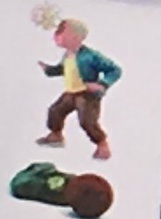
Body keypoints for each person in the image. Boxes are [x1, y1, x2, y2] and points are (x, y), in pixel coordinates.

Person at [35, 15, 119, 157]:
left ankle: (102, 144)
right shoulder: (67, 55)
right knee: (55, 111)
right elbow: (63, 69)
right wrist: (49, 70)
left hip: (86, 94)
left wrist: (103, 84)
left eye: (62, 31)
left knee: (87, 121)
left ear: (75, 37)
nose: (57, 35)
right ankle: (56, 135)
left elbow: (115, 70)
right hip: (71, 92)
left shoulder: (90, 56)